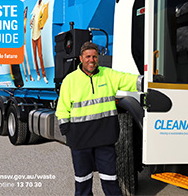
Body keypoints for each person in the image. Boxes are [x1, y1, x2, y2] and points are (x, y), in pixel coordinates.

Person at [55, 42, 143, 196]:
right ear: (81, 58)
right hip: (80, 141)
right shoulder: (70, 80)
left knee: (110, 180)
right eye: (88, 56)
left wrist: (149, 80)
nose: (91, 60)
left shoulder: (109, 75)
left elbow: (128, 80)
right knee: (83, 181)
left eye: (94, 56)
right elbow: (62, 108)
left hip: (105, 140)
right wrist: (68, 131)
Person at [30, 0, 48, 84]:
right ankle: (38, 74)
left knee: (40, 55)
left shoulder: (43, 6)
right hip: (32, 34)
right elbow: (32, 16)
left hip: (39, 34)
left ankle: (44, 75)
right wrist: (31, 22)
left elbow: (44, 16)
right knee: (35, 56)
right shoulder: (36, 5)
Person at [22, 6, 34, 82]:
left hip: (24, 44)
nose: (25, 13)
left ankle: (29, 75)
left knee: (26, 59)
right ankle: (26, 76)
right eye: (24, 12)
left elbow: (25, 30)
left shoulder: (26, 20)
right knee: (22, 61)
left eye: (26, 12)